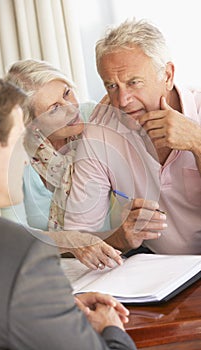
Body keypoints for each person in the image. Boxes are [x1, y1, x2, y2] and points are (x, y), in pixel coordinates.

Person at [0, 71, 137, 350]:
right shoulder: (18, 252)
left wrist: (48, 306)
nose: (22, 158)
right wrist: (110, 327)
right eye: (15, 142)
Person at [64, 18, 201, 255]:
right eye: (112, 86)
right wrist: (119, 238)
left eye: (133, 82)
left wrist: (197, 142)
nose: (122, 101)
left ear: (167, 75)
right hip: (163, 271)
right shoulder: (101, 132)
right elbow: (78, 236)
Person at [0, 59, 122, 270]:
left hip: (114, 259)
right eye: (54, 108)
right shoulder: (13, 156)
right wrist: (69, 240)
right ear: (31, 124)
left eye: (66, 93)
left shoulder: (92, 116)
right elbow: (13, 237)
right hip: (49, 269)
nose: (71, 108)